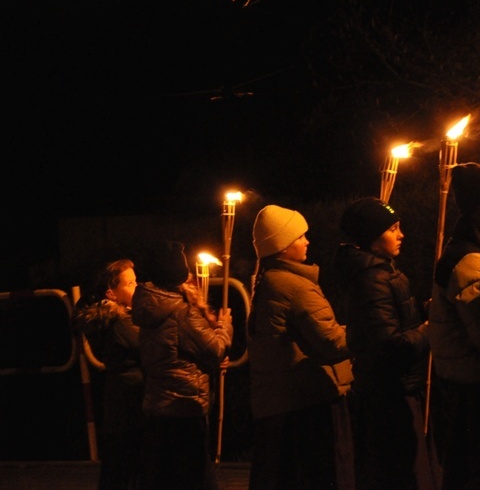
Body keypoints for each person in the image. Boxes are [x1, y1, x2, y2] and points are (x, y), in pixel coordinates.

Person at [248, 204, 354, 490]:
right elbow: (330, 341)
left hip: (281, 402)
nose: (307, 242)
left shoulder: (267, 281)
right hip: (306, 401)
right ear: (282, 245)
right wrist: (364, 332)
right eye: (299, 237)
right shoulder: (295, 286)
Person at [333, 197, 434, 490]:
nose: (401, 235)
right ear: (372, 237)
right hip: (389, 397)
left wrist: (427, 311)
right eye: (392, 229)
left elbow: (396, 321)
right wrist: (430, 330)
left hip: (393, 392)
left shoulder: (382, 273)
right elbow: (388, 346)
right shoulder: (372, 280)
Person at [428, 163, 480, 490]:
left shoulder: (479, 253)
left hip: (473, 388)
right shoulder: (469, 261)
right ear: (476, 206)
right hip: (477, 391)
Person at [131, 240, 233, 490]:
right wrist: (224, 326)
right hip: (185, 405)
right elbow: (215, 349)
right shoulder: (183, 313)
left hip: (158, 404)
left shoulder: (147, 307)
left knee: (166, 477)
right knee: (197, 476)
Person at [73, 258, 144, 490]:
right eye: (130, 284)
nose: (137, 287)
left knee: (118, 464)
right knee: (127, 464)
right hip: (130, 400)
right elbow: (150, 347)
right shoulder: (120, 324)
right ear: (111, 294)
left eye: (136, 281)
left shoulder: (116, 319)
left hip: (120, 399)